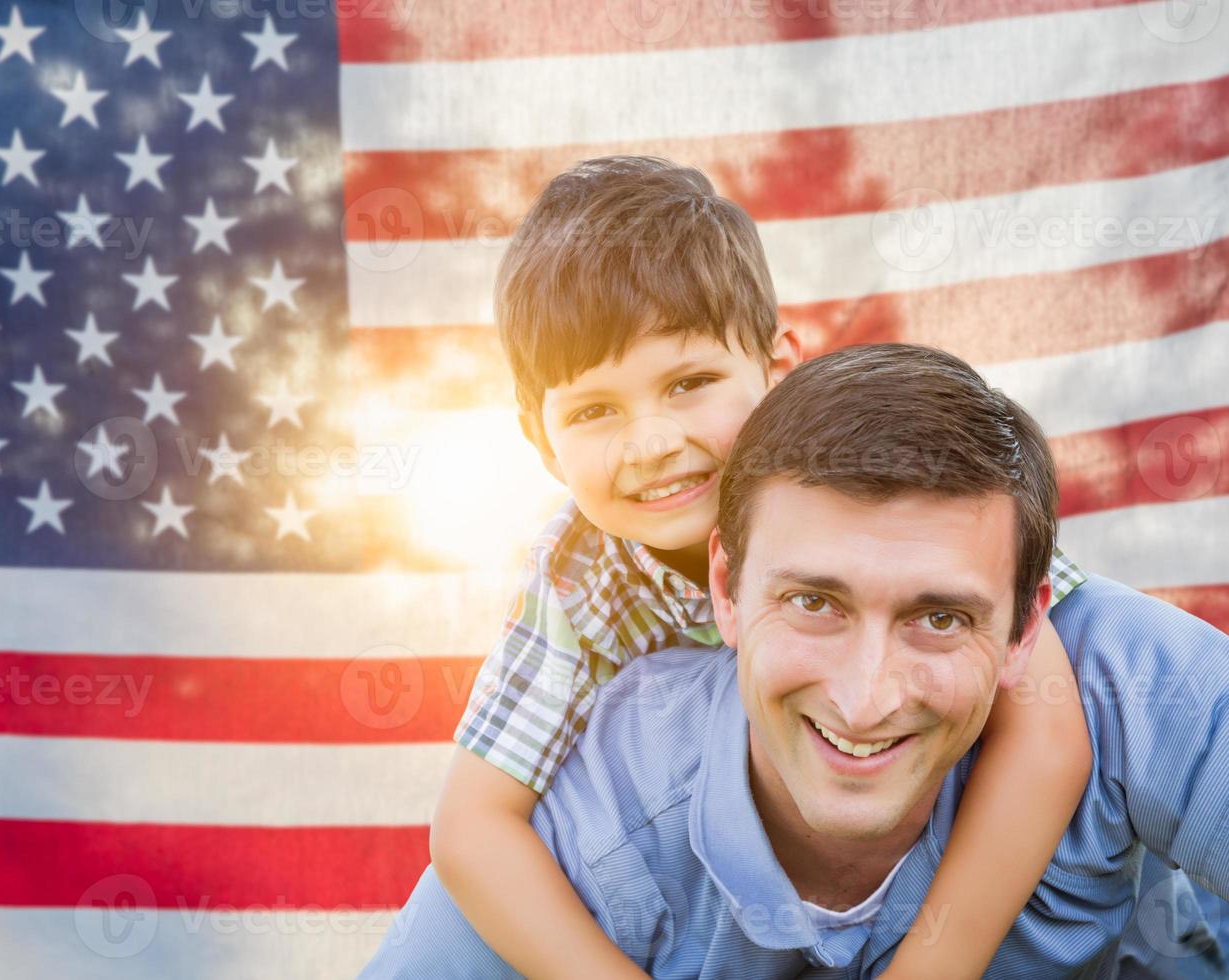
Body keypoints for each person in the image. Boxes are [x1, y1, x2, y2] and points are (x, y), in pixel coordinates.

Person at [362, 343, 1229, 977]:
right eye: (814, 603)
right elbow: (471, 837)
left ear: (1022, 625)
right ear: (725, 590)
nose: (862, 700)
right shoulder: (605, 811)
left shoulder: (1130, 679)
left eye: (938, 616)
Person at [430, 156, 1092, 978]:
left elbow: (1048, 731)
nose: (651, 443)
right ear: (539, 439)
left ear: (775, 369)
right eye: (595, 410)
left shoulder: (886, 477)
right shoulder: (579, 578)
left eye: (689, 382)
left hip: (926, 863)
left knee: (1115, 656)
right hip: (717, 904)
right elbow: (472, 826)